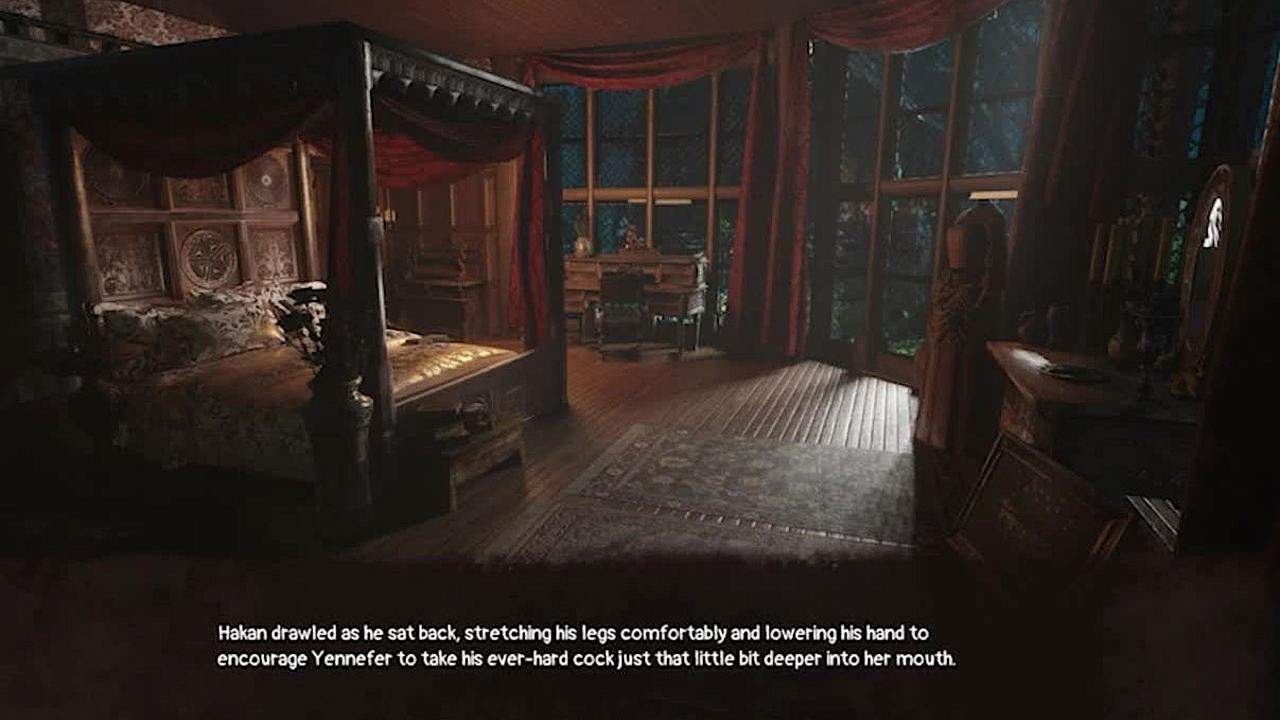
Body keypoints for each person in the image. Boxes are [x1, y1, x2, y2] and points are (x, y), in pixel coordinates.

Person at [913, 200, 1006, 458]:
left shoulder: (991, 218)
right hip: (951, 289)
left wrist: (983, 294)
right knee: (940, 363)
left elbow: (996, 264)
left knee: (961, 368)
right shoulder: (969, 216)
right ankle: (931, 428)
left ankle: (956, 434)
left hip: (968, 293)